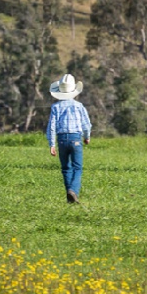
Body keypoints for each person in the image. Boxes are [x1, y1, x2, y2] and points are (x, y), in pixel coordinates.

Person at [46, 73, 91, 204]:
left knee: (66, 168)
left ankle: (69, 195)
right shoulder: (79, 106)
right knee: (77, 167)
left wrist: (52, 144)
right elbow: (86, 124)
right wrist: (87, 136)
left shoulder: (55, 107)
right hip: (76, 138)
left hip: (61, 139)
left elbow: (51, 127)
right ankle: (73, 191)